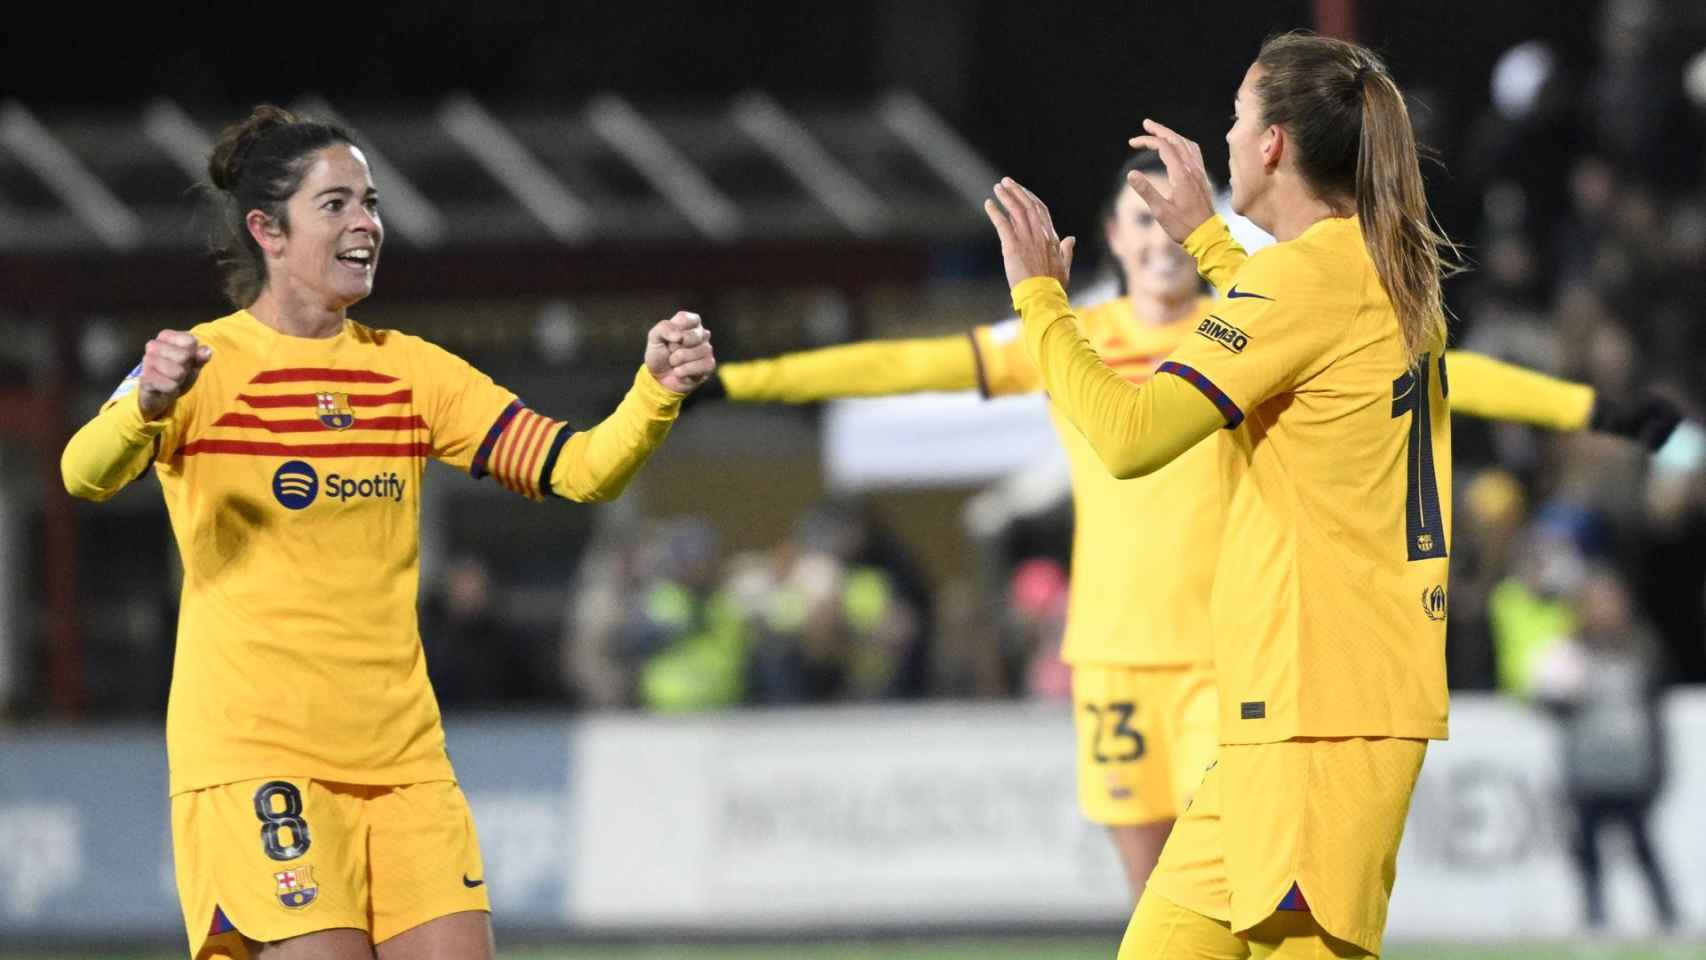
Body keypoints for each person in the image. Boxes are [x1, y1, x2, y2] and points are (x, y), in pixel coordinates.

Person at [694, 152, 1675, 905]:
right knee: (1153, 906)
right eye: (1137, 218)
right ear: (1109, 241)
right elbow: (901, 368)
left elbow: (1439, 377)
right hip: (1115, 661)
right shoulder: (1066, 341)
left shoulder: (1246, 329)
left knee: (1249, 895)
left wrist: (1593, 409)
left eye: (1170, 216)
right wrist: (736, 380)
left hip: (1232, 660)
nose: (1159, 237)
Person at [59, 105, 714, 960]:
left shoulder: (411, 372)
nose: (366, 224)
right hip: (260, 761)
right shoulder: (195, 366)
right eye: (335, 205)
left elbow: (580, 468)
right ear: (268, 230)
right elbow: (83, 472)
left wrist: (653, 391)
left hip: (405, 766)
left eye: (370, 203)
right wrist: (146, 403)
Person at [984, 31, 1573, 959]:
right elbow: (1289, 319)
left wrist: (1042, 303)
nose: (1222, 138)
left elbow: (1131, 438)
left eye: (1235, 116)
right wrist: (1210, 241)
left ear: (1271, 146)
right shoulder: (1371, 268)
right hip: (1292, 717)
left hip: (1319, 722)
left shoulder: (1307, 281)